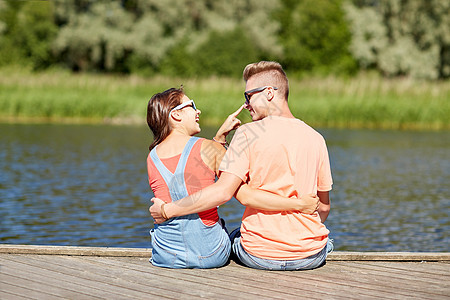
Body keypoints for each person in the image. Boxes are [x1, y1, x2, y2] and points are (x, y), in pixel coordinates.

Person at [150, 61, 333, 271]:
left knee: (233, 236)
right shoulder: (316, 138)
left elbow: (229, 191)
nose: (246, 104)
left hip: (260, 255)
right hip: (310, 256)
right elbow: (324, 207)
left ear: (269, 93)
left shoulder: (246, 134)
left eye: (249, 96)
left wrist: (166, 210)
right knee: (325, 241)